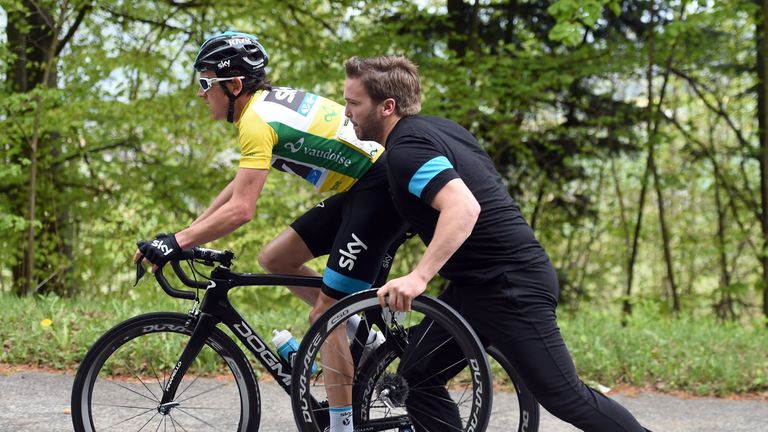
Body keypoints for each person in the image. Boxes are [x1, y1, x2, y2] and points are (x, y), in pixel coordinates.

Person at [343, 55, 652, 432]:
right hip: (476, 287)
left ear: (387, 106)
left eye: (353, 103)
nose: (346, 113)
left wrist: (419, 276)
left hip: (511, 285)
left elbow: (464, 207)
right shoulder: (439, 130)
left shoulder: (408, 150)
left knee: (565, 396)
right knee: (417, 377)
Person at [135, 32, 407, 432]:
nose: (199, 94)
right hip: (360, 186)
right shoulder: (261, 109)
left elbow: (242, 210)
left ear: (234, 86)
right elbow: (237, 187)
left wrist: (175, 243)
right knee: (276, 258)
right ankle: (364, 338)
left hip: (379, 189)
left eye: (205, 83)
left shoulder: (256, 121)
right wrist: (183, 234)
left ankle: (342, 425)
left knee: (326, 314)